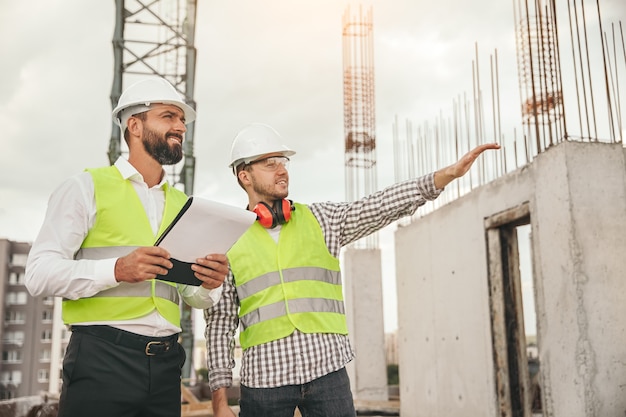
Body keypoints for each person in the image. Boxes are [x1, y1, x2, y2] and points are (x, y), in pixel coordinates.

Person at [204, 122, 500, 417]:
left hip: (327, 372)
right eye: (270, 163)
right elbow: (220, 322)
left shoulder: (322, 220)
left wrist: (443, 177)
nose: (282, 170)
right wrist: (219, 400)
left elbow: (379, 205)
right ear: (245, 176)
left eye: (283, 162)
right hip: (265, 380)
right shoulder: (229, 240)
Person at [25, 77, 230, 417]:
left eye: (182, 119)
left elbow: (191, 295)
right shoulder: (85, 188)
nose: (180, 126)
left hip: (166, 368)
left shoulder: (184, 205)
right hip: (101, 361)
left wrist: (210, 284)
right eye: (168, 116)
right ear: (134, 125)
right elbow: (38, 274)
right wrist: (117, 270)